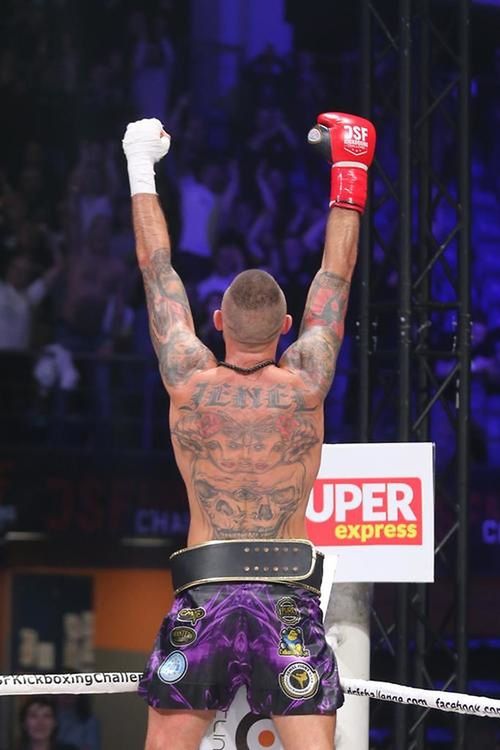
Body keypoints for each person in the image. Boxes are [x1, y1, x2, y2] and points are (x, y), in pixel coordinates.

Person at [122, 112, 376, 750]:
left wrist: (140, 165)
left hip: (204, 597)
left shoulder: (189, 381)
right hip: (287, 599)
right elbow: (336, 276)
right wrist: (350, 169)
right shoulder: (306, 382)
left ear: (216, 321)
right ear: (288, 327)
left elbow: (157, 271)